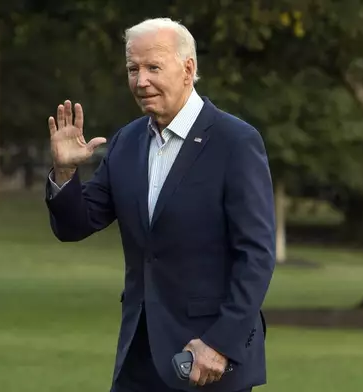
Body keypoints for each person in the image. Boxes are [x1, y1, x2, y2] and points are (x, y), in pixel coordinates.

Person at [44, 17, 275, 392]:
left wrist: (221, 343)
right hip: (139, 358)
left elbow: (257, 255)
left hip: (206, 360)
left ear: (188, 69)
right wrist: (65, 172)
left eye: (153, 67)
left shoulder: (235, 142)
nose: (140, 80)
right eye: (133, 69)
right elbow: (75, 225)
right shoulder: (127, 141)